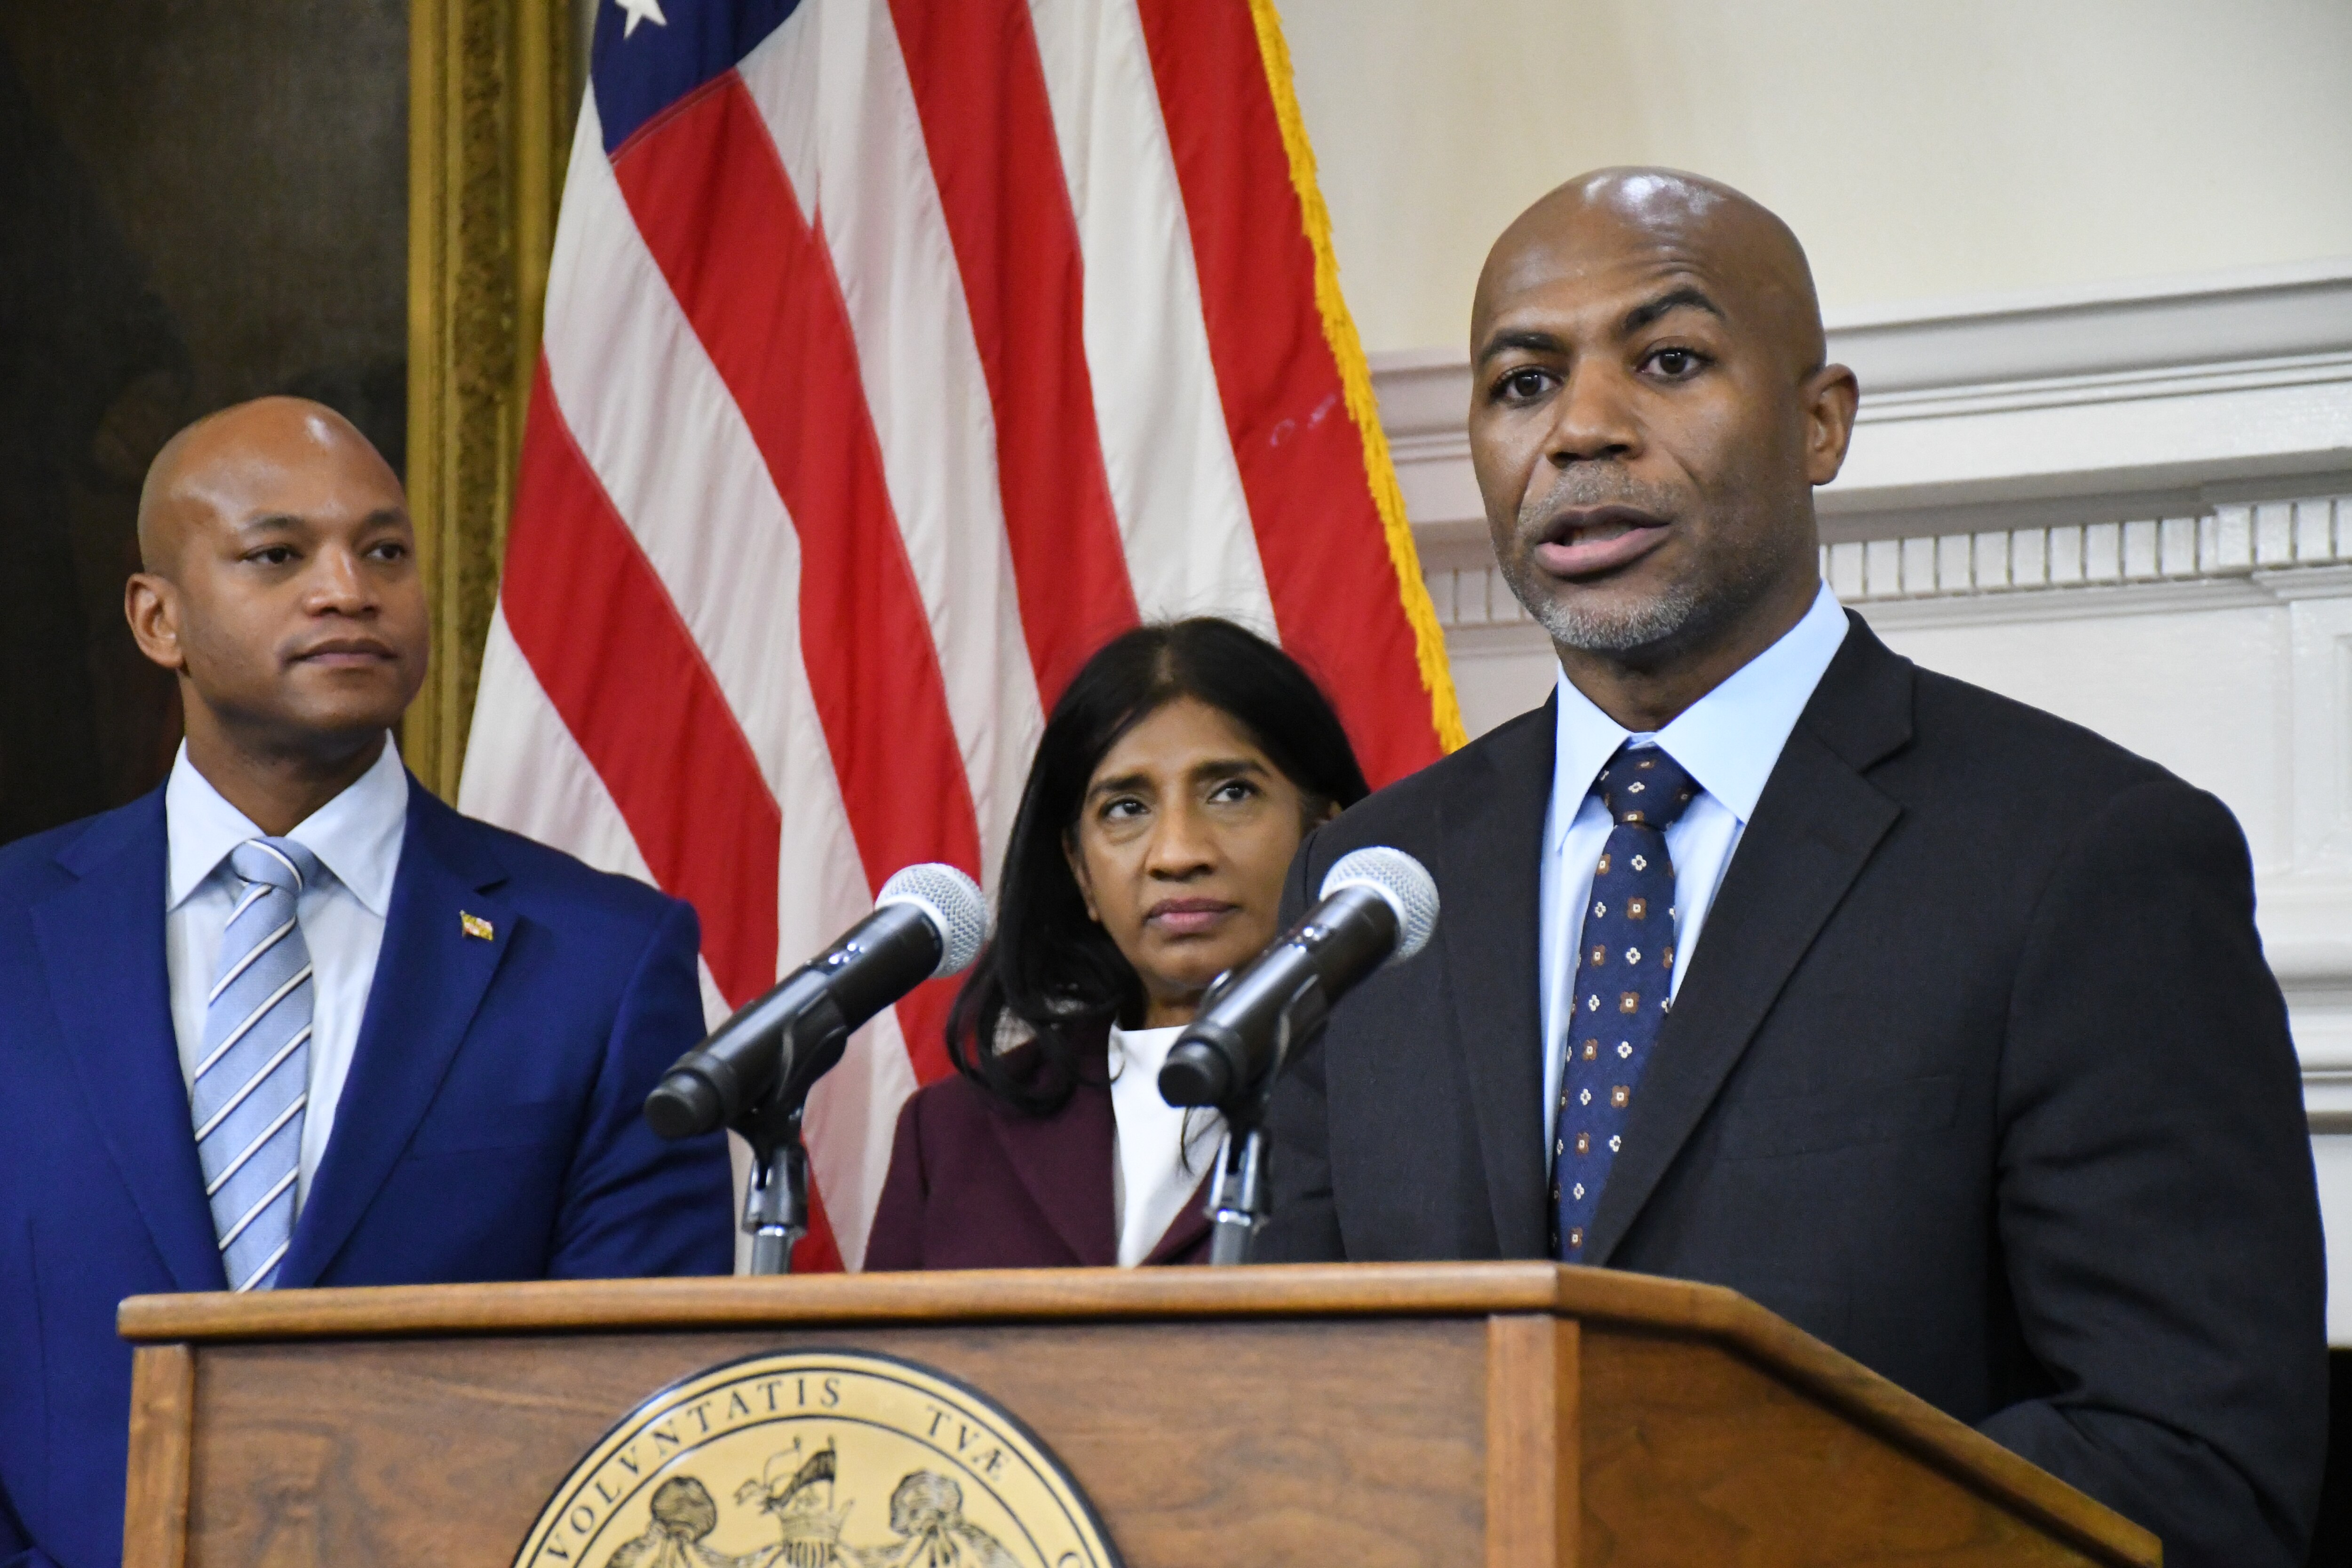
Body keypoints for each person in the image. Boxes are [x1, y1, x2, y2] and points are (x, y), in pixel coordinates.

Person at [1257, 170, 2327, 1566]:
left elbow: (2189, 1456)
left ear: (1821, 423)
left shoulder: (2089, 856)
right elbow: (1288, 1406)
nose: (1580, 428)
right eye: (1523, 383)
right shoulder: (1374, 880)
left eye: (1669, 360)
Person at [0, 398, 734, 1568]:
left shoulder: (603, 960)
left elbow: (633, 1413)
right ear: (157, 618)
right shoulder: (16, 939)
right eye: (278, 555)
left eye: (384, 550)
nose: (348, 589)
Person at [865, 619, 1367, 1270]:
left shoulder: (1402, 1102)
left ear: (1324, 833)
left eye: (1231, 793)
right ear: (1081, 871)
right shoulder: (950, 1135)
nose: (1178, 854)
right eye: (1127, 808)